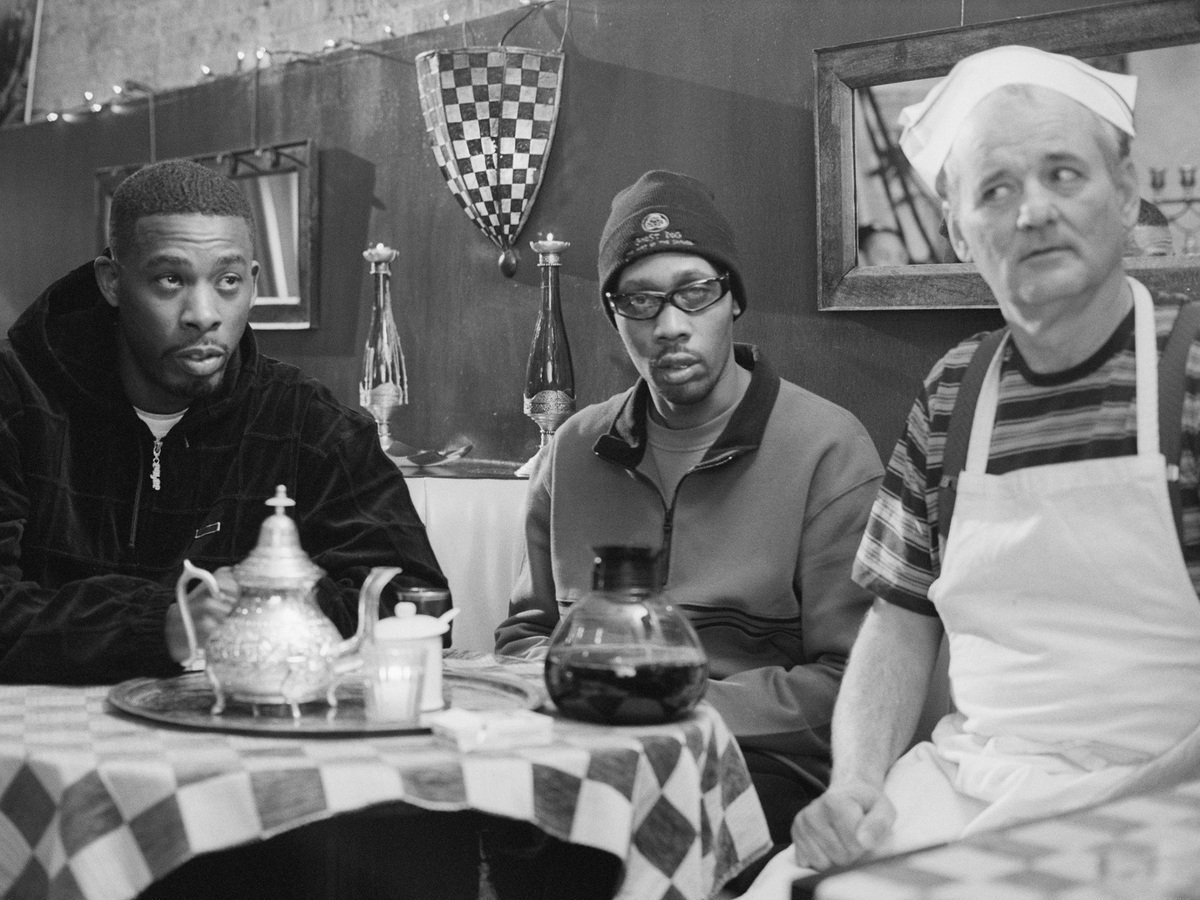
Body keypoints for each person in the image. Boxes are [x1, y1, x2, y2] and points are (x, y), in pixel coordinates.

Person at [744, 45, 1200, 897]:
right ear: (959, 232)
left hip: (1165, 799)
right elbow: (900, 619)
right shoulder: (956, 389)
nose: (1034, 212)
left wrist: (1100, 823)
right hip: (967, 781)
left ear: (1126, 191)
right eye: (995, 190)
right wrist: (858, 784)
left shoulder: (1191, 372)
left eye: (1064, 174)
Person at [493, 170, 883, 890]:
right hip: (589, 752)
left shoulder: (828, 448)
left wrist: (676, 705)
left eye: (694, 292)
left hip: (760, 764)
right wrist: (573, 695)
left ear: (734, 299)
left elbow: (854, 681)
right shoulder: (573, 451)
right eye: (639, 301)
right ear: (615, 317)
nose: (669, 325)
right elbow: (524, 635)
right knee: (497, 824)